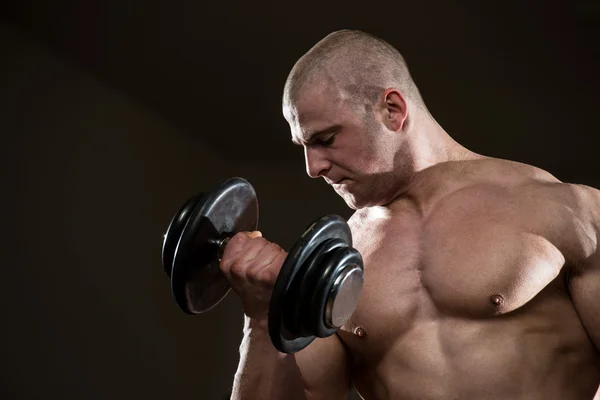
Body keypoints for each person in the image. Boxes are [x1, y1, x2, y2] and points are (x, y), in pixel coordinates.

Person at [219, 29, 600, 399]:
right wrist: (264, 316)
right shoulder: (335, 264)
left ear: (393, 110)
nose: (312, 167)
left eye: (324, 140)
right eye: (303, 146)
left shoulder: (565, 211)